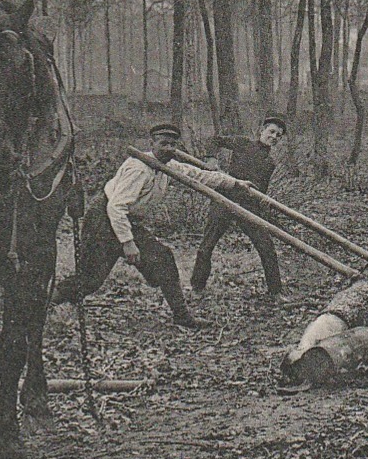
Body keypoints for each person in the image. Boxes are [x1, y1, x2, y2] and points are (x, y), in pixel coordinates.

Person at [52, 122, 248, 328]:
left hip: (127, 220)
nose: (169, 149)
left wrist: (235, 183)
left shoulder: (168, 165)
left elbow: (198, 175)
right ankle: (48, 303)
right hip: (103, 220)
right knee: (90, 280)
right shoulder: (138, 168)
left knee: (163, 258)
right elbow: (116, 207)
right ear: (152, 143)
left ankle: (181, 315)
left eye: (173, 145)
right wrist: (128, 243)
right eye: (163, 144)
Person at [190, 115, 286, 295]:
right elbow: (215, 140)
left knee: (266, 246)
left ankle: (276, 292)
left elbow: (260, 188)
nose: (274, 137)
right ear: (262, 130)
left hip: (248, 206)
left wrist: (263, 200)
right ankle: (197, 287)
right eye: (271, 131)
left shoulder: (269, 163)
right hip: (225, 198)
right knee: (207, 245)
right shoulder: (243, 143)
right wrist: (211, 158)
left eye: (278, 135)